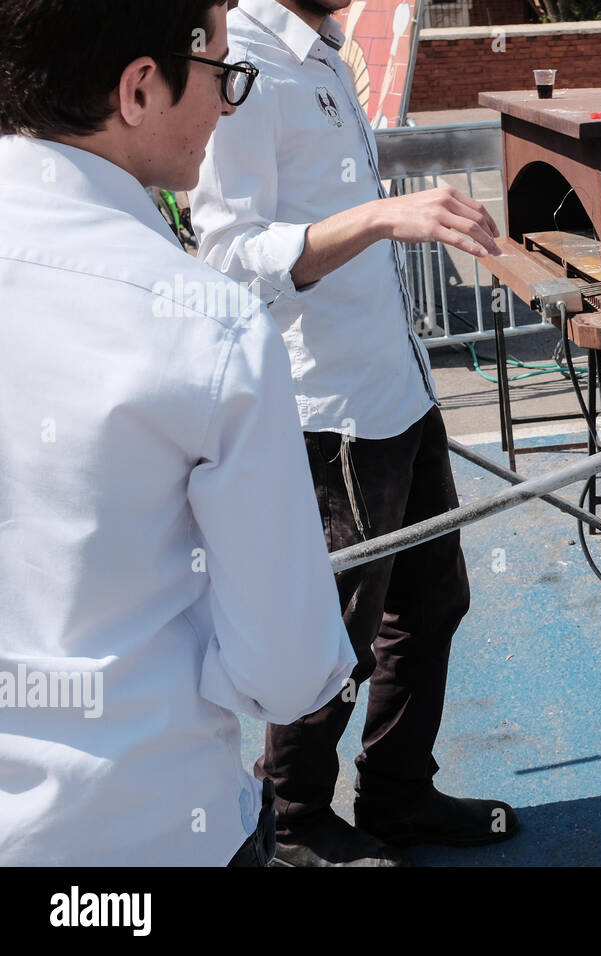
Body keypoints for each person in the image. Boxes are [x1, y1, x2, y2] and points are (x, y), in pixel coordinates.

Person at [0, 0, 357, 866]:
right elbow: (288, 674)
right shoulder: (211, 329)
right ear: (138, 87)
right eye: (223, 74)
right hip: (149, 829)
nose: (228, 105)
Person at [191, 0, 516, 867]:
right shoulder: (247, 60)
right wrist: (382, 217)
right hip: (325, 409)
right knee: (329, 636)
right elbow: (227, 253)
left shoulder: (322, 51)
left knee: (432, 605)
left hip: (396, 387)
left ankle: (398, 794)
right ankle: (294, 818)